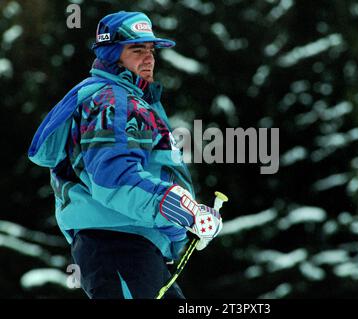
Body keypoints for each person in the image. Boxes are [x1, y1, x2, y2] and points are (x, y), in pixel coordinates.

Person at [28, 11, 223, 299]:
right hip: (117, 245)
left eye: (151, 50)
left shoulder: (131, 100)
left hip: (129, 246)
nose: (149, 58)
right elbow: (114, 178)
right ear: (111, 54)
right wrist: (182, 209)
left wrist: (184, 220)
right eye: (136, 49)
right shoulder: (113, 100)